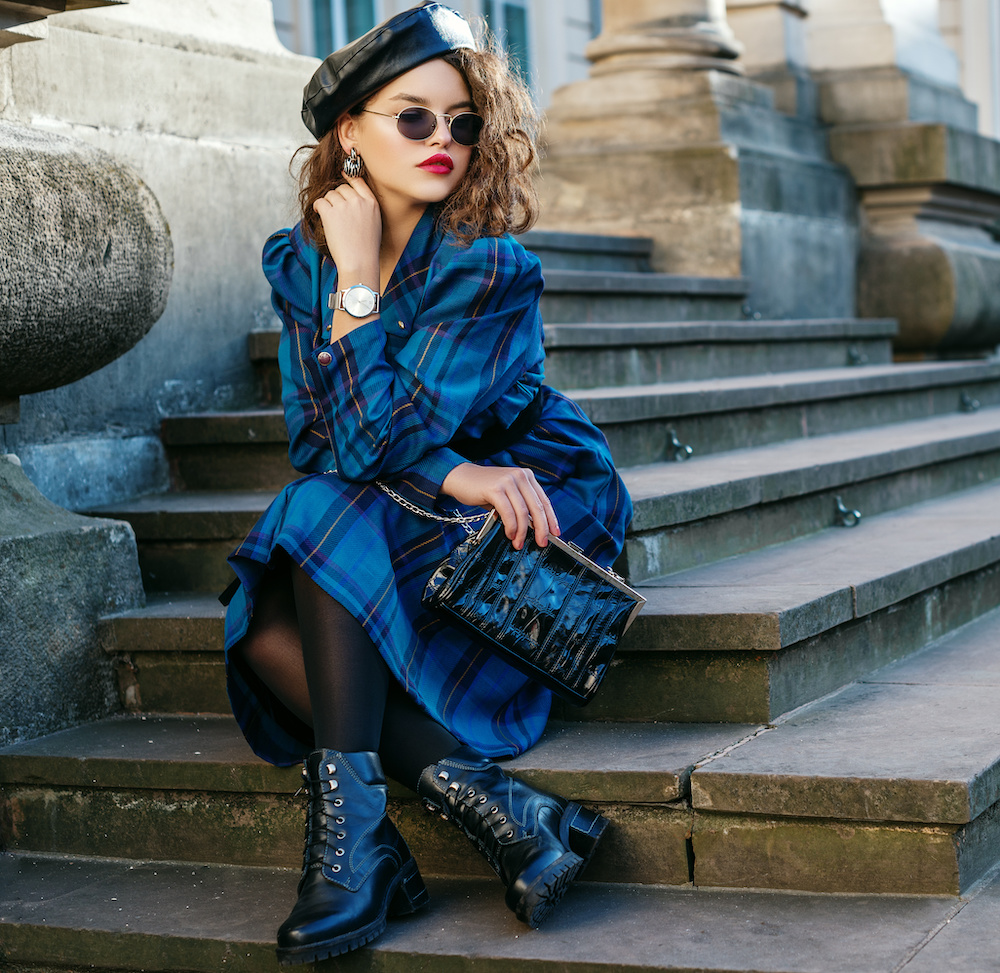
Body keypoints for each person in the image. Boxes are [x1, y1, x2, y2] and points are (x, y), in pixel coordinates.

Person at [221, 1, 633, 964]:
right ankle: (501, 813)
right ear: (350, 134)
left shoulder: (489, 268)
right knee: (271, 614)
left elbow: (357, 439)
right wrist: (451, 466)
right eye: (413, 116)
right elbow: (316, 439)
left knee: (310, 526)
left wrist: (358, 292)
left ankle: (366, 855)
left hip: (535, 499)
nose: (443, 140)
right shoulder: (302, 263)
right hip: (439, 491)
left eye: (462, 122)